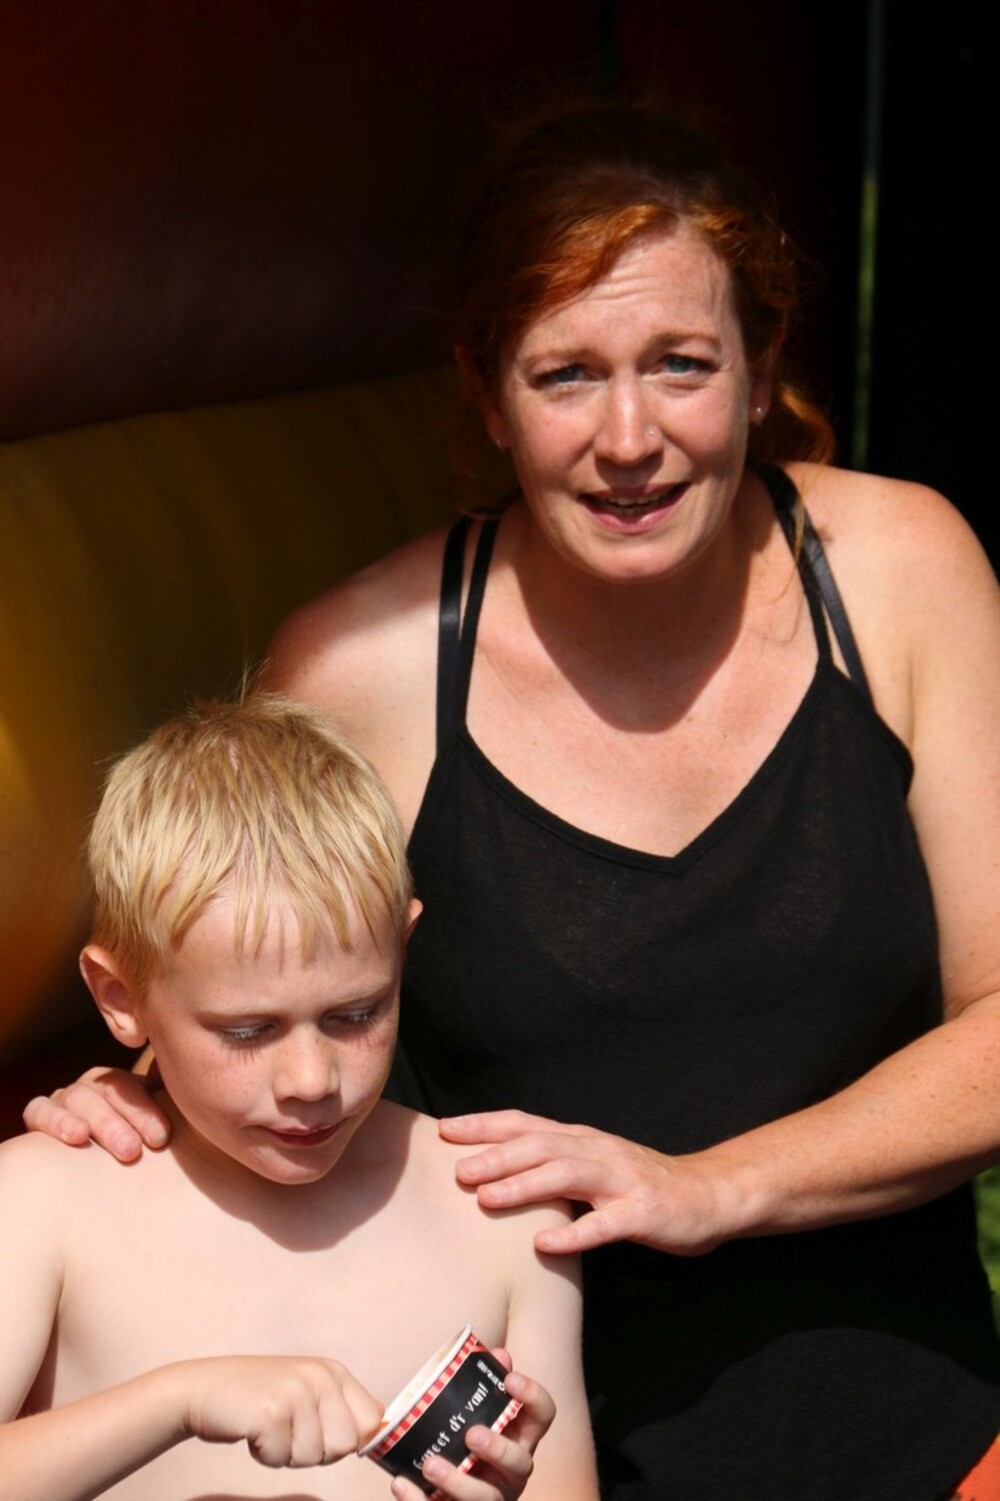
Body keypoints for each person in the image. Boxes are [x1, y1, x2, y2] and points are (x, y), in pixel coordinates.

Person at [23, 102, 1000, 1499]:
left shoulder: (902, 569)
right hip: (514, 1457)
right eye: (566, 376)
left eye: (680, 364)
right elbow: (250, 978)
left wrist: (711, 1185)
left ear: (761, 365)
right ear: (486, 394)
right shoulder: (358, 666)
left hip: (917, 1439)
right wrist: (128, 1096)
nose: (629, 436)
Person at [2, 695, 598, 1501]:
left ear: (403, 949)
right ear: (120, 997)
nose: (313, 1078)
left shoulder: (503, 1210)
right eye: (248, 1030)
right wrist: (177, 1400)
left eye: (357, 1013)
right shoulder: (44, 1199)